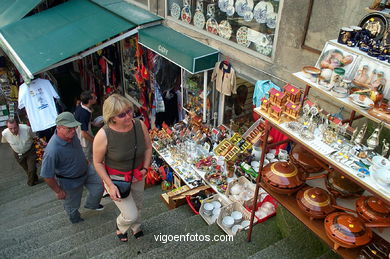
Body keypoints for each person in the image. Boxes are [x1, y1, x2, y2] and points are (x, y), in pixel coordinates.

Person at [93, 94, 152, 242]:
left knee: (138, 205)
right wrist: (110, 186)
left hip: (138, 174)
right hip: (116, 179)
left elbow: (148, 147)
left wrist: (145, 168)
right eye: (121, 114)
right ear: (112, 117)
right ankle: (120, 225)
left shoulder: (139, 125)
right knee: (130, 214)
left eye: (129, 111)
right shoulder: (103, 135)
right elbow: (98, 162)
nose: (128, 116)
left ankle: (136, 227)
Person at [40, 112, 104, 224]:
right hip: (70, 181)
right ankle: (76, 220)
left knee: (99, 186)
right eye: (69, 128)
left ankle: (91, 205)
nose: (73, 130)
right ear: (58, 128)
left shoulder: (72, 136)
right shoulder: (52, 150)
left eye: (74, 127)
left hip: (86, 170)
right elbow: (47, 175)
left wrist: (85, 161)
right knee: (72, 206)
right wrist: (58, 191)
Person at [1, 119, 39, 186]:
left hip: (30, 150)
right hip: (17, 153)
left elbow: (34, 137)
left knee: (31, 168)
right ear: (7, 127)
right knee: (27, 169)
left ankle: (30, 183)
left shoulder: (26, 129)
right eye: (11, 128)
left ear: (18, 125)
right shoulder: (4, 133)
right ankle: (35, 179)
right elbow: (5, 141)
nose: (13, 130)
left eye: (15, 128)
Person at [75, 91, 97, 162]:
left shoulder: (80, 105)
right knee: (87, 159)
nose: (96, 98)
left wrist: (92, 123)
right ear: (90, 101)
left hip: (85, 133)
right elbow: (84, 134)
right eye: (94, 98)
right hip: (84, 141)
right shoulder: (84, 114)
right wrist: (95, 140)